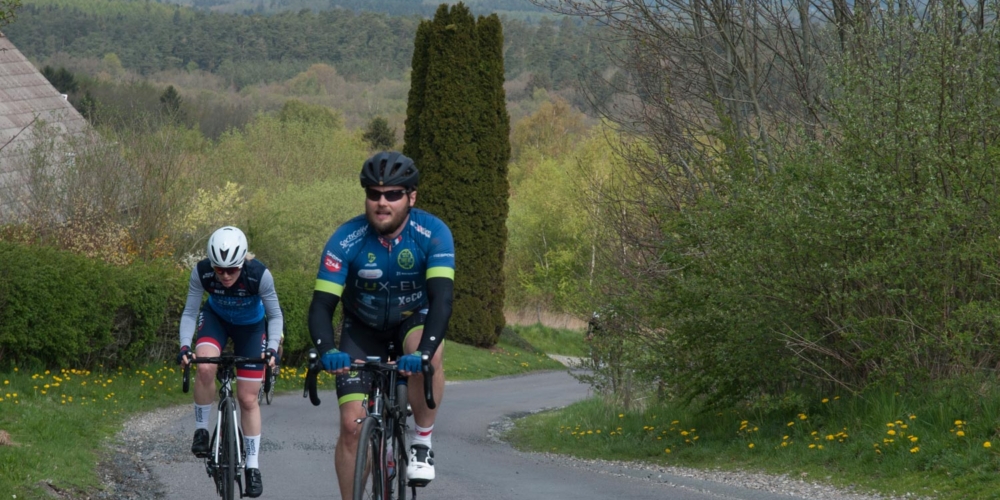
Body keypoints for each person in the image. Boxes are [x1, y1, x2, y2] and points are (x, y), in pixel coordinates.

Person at [308, 151, 454, 500]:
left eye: (393, 194)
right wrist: (327, 349)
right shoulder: (346, 238)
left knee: (428, 355)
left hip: (413, 319)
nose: (382, 202)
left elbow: (442, 300)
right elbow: (322, 305)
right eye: (374, 194)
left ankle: (421, 442)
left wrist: (424, 352)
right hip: (362, 329)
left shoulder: (433, 233)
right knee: (351, 427)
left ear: (411, 197)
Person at [177, 226, 283, 498]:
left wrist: (272, 349)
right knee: (204, 365)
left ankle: (253, 467)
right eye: (219, 270)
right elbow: (190, 312)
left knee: (247, 399)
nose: (224, 276)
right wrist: (185, 346)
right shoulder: (202, 272)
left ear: (243, 262)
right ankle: (201, 431)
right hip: (217, 321)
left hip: (251, 328)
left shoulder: (259, 275)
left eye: (232, 270)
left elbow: (275, 315)